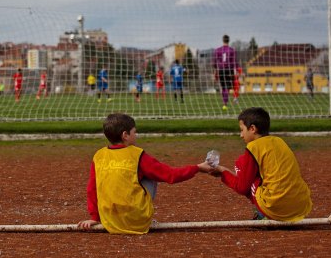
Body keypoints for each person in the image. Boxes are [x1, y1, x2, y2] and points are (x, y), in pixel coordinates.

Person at [77, 113, 213, 234]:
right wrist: (198, 167)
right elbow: (170, 175)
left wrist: (94, 218)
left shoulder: (98, 155)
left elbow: (92, 189)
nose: (136, 135)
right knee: (150, 175)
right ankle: (141, 215)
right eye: (134, 132)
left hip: (109, 221)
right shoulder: (137, 154)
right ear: (125, 135)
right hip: (136, 221)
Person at [210, 107, 312, 221]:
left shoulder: (253, 147)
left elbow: (242, 187)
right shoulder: (279, 141)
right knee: (256, 174)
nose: (241, 135)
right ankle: (272, 211)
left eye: (242, 130)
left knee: (240, 163)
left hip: (277, 208)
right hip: (301, 206)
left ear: (252, 128)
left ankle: (263, 214)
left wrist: (222, 172)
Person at [214, 35, 238, 111]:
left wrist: (215, 71)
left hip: (221, 70)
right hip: (229, 70)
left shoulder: (218, 50)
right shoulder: (232, 50)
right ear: (229, 40)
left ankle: (225, 103)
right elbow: (234, 61)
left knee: (223, 87)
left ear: (223, 40)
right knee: (228, 87)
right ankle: (230, 100)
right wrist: (235, 71)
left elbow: (214, 62)